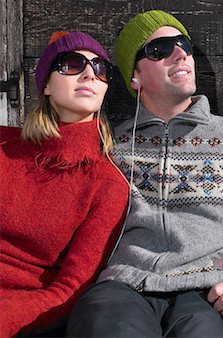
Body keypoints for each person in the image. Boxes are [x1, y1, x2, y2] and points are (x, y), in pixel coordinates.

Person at [67, 10, 223, 338]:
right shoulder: (111, 145)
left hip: (209, 292)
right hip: (123, 290)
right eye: (160, 49)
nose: (180, 53)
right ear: (134, 77)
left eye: (183, 44)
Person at [0, 31, 129, 337]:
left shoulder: (107, 184)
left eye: (100, 69)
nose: (89, 74)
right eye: (72, 64)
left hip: (22, 314)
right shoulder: (4, 146)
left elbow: (69, 291)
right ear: (45, 84)